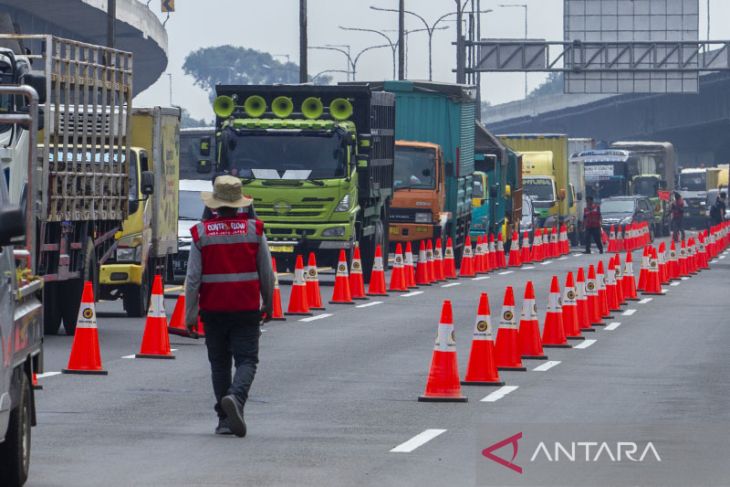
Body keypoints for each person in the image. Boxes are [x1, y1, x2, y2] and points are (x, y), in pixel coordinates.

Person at [185, 175, 275, 437]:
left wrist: (190, 315)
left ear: (214, 204)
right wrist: (268, 303)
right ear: (239, 204)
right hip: (246, 308)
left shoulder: (201, 233)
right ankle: (236, 397)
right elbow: (266, 272)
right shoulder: (254, 230)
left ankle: (224, 420)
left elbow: (192, 279)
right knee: (247, 359)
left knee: (220, 364)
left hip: (213, 310)